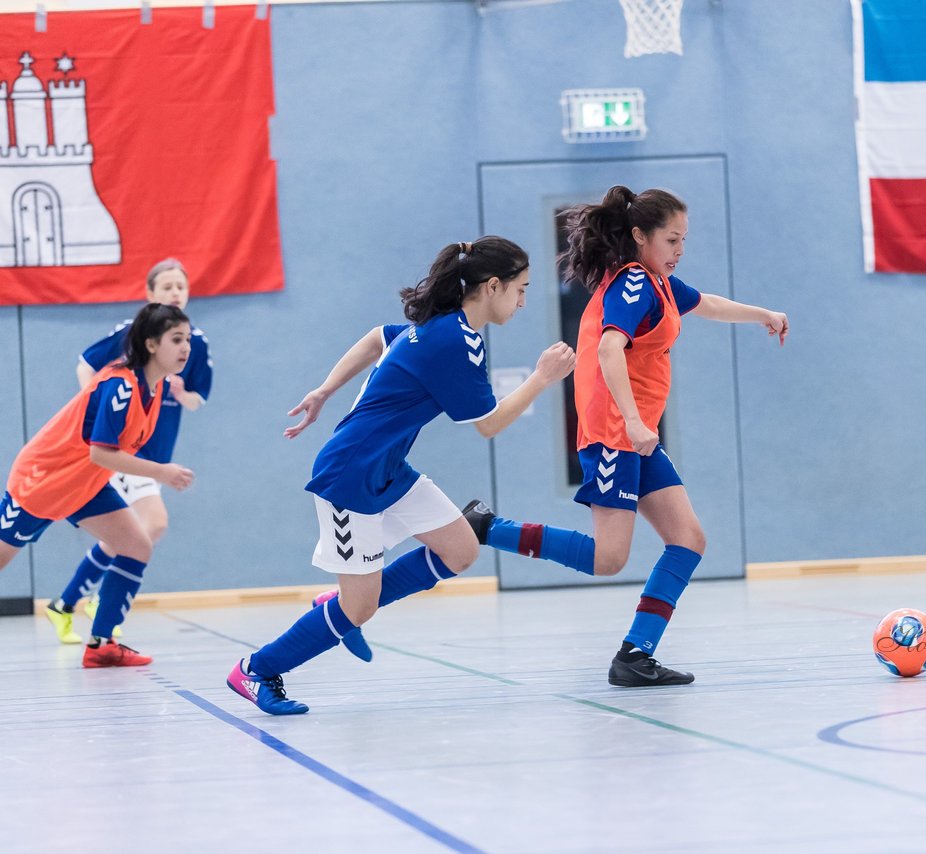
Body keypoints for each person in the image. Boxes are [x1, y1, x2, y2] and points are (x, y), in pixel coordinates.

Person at [226, 236, 575, 715]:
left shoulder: (441, 329)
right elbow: (489, 425)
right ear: (493, 286)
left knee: (460, 549)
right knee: (359, 609)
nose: (523, 301)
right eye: (521, 289)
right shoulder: (454, 339)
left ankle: (339, 601)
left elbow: (376, 337)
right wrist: (542, 377)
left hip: (389, 470)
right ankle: (256, 669)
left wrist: (325, 390)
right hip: (349, 478)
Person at [468, 185, 788, 687]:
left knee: (688, 539)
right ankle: (486, 528)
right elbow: (609, 350)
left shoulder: (659, 283)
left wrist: (763, 315)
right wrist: (637, 422)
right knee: (609, 558)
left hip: (635, 435)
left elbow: (706, 303)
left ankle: (635, 655)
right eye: (671, 239)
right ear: (640, 237)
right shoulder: (634, 283)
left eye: (684, 240)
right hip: (617, 432)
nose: (679, 250)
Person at [0, 303, 195, 667]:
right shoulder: (120, 386)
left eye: (187, 339)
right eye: (177, 339)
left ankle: (102, 644)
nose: (186, 348)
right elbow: (102, 454)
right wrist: (162, 471)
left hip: (83, 485)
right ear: (152, 344)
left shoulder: (156, 388)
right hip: (43, 479)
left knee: (136, 545)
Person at [43, 259, 213, 645]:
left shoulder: (195, 343)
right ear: (150, 295)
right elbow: (87, 364)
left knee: (134, 535)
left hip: (152, 454)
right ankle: (102, 609)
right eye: (166, 287)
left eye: (180, 286)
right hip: (122, 450)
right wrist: (96, 411)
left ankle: (68, 603)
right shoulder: (131, 339)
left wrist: (183, 393)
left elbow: (198, 397)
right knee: (151, 526)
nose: (175, 293)